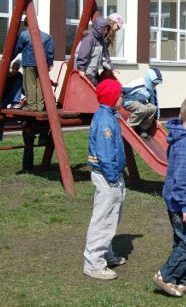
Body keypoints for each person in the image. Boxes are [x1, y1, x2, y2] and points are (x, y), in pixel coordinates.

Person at [153, 97, 186, 297]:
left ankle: (182, 281)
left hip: (179, 199)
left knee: (181, 240)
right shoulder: (185, 143)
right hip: (181, 201)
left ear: (180, 116)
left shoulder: (185, 139)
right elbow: (181, 176)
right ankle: (165, 275)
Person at [83, 79, 127, 280]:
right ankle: (93, 263)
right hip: (107, 176)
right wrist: (111, 178)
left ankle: (105, 254)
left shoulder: (110, 116)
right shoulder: (105, 121)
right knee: (103, 219)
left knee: (111, 217)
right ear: (112, 98)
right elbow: (105, 152)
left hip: (113, 175)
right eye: (121, 94)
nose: (123, 97)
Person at [13, 18, 54, 112]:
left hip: (29, 63)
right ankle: (40, 106)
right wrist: (50, 63)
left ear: (25, 24)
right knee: (40, 85)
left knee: (30, 85)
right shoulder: (47, 36)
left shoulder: (24, 35)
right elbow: (50, 52)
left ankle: (31, 106)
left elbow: (17, 48)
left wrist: (10, 58)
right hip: (42, 65)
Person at [0, 59, 24, 150]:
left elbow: (22, 88)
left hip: (11, 96)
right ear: (9, 67)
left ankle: (15, 103)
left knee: (19, 81)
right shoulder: (5, 73)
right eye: (13, 69)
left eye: (16, 69)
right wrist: (0, 72)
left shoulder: (19, 76)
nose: (14, 71)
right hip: (2, 98)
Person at [75, 16, 117, 86]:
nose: (106, 31)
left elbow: (105, 56)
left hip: (93, 72)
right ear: (99, 29)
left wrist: (112, 67)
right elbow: (83, 55)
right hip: (87, 72)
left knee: (103, 86)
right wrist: (81, 69)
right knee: (98, 89)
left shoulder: (101, 41)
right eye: (104, 29)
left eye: (107, 30)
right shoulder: (89, 39)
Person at [121, 68, 163, 138]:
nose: (156, 84)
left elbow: (154, 102)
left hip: (140, 102)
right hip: (128, 101)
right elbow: (123, 90)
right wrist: (116, 101)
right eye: (154, 82)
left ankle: (142, 128)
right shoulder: (138, 84)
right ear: (149, 79)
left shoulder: (152, 88)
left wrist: (157, 118)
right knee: (142, 108)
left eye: (158, 82)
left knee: (152, 108)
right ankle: (129, 126)